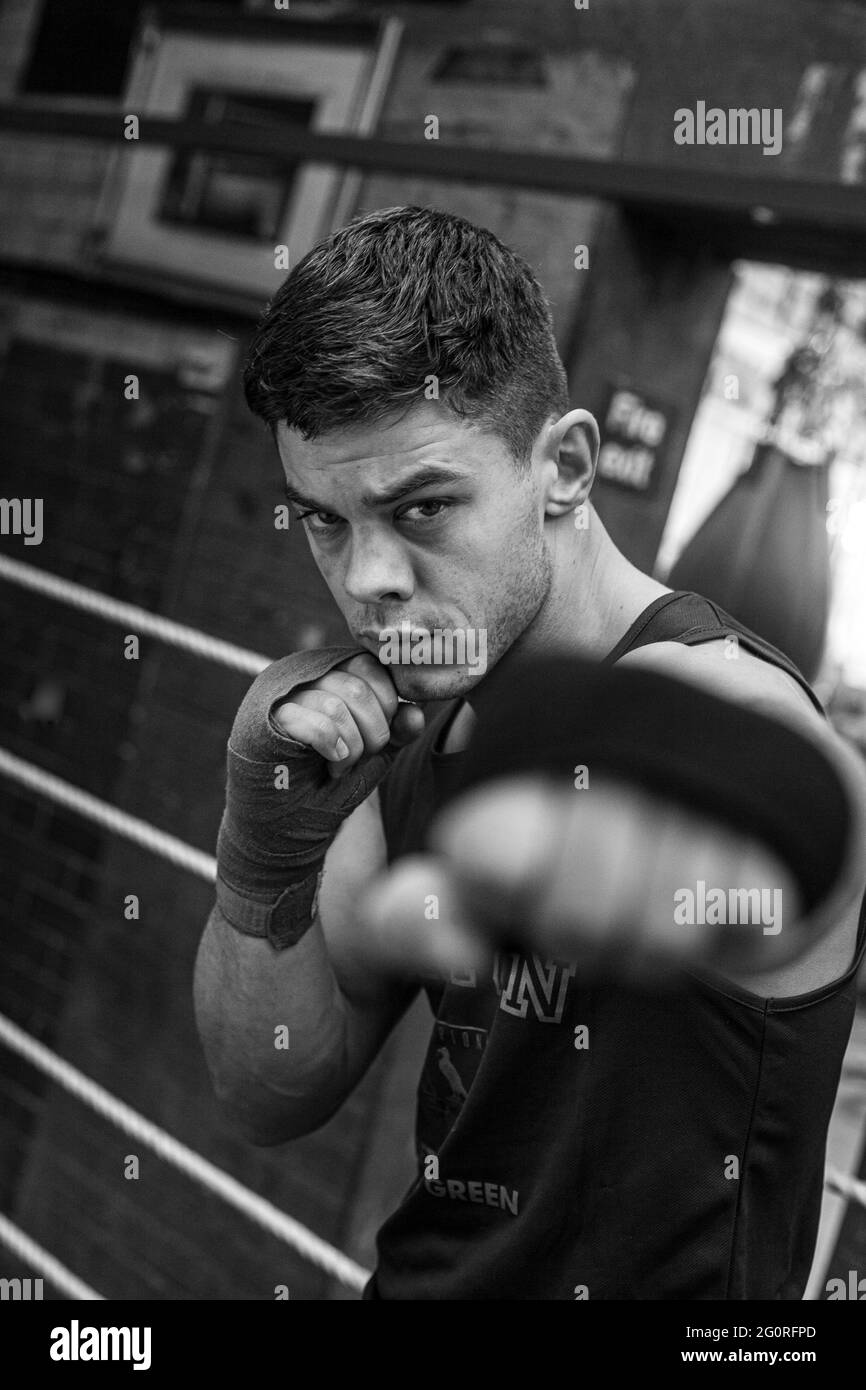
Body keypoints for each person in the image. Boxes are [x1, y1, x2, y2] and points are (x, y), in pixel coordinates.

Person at [193, 206, 866, 1299]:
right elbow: (267, 1089)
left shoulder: (727, 706)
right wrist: (260, 847)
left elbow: (785, 816)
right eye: (323, 520)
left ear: (564, 465)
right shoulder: (418, 726)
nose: (367, 579)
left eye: (421, 507)